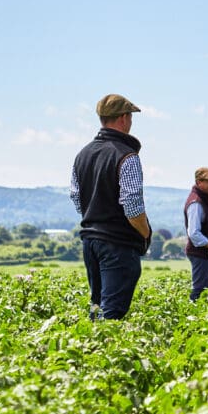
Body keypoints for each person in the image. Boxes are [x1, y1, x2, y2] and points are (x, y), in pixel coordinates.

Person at [70, 94, 152, 320]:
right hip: (117, 244)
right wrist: (145, 233)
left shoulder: (82, 155)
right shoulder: (127, 156)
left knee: (97, 306)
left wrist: (95, 216)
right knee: (112, 314)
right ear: (124, 118)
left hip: (90, 242)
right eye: (131, 117)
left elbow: (76, 197)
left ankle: (89, 350)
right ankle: (101, 351)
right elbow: (132, 205)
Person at [184, 167, 208, 301]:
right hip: (200, 253)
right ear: (199, 181)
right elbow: (193, 233)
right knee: (199, 290)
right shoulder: (196, 202)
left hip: (205, 254)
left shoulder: (203, 199)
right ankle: (192, 316)